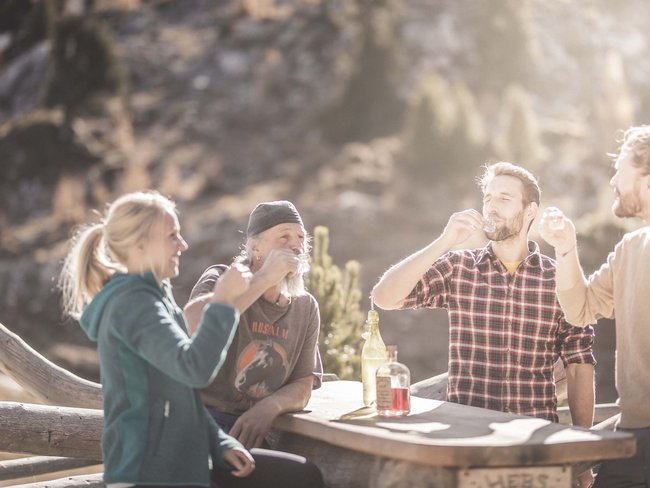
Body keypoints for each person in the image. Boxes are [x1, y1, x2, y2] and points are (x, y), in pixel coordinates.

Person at [59, 191, 323, 488]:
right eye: (172, 236)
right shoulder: (132, 305)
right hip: (147, 469)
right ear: (141, 245)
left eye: (301, 237)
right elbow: (194, 370)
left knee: (302, 476)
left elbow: (179, 392)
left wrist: (220, 443)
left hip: (179, 458)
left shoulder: (157, 298)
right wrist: (235, 295)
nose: (183, 245)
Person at [372, 162, 596, 427]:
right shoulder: (459, 267)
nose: (491, 206)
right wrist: (444, 241)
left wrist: (583, 448)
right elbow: (384, 298)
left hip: (532, 438)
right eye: (488, 198)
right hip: (462, 434)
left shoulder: (561, 281)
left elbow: (579, 366)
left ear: (529, 211)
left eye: (504, 199)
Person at [539, 125, 650, 488]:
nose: (612, 180)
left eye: (620, 169)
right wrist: (566, 248)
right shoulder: (631, 249)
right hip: (634, 431)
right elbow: (580, 309)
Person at [184, 200, 323, 452]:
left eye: (301, 237)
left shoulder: (306, 306)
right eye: (284, 236)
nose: (296, 244)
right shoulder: (221, 278)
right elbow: (192, 323)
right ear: (255, 248)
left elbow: (303, 384)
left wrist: (268, 408)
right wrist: (263, 279)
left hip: (267, 427)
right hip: (203, 421)